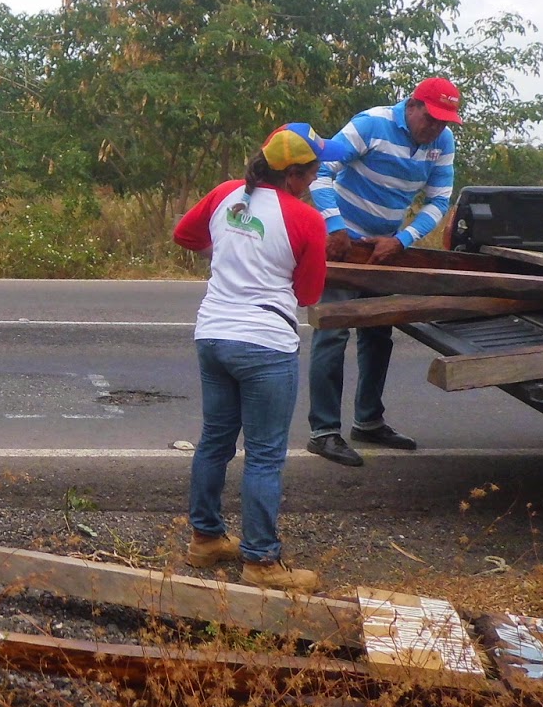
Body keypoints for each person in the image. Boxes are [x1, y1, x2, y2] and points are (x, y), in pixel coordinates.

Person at [174, 124, 339, 594]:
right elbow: (308, 293)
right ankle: (261, 561)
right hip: (265, 344)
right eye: (311, 173)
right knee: (265, 455)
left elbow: (184, 235)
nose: (314, 180)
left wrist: (230, 249)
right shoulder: (306, 219)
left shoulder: (225, 194)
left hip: (213, 335)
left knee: (215, 441)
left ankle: (205, 539)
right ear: (293, 175)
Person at [306, 77, 462, 466]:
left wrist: (403, 239)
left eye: (444, 122)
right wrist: (334, 226)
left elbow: (439, 201)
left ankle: (368, 421)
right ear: (412, 106)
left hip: (383, 249)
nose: (435, 128)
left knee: (378, 333)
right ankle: (323, 431)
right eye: (430, 119)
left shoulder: (442, 143)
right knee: (332, 331)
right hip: (342, 245)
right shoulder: (371, 124)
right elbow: (320, 171)